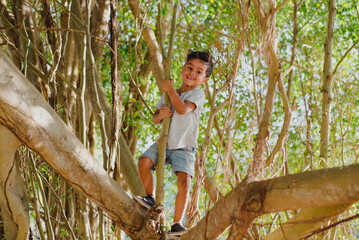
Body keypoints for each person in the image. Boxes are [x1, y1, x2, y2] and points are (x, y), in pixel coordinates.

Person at [134, 50, 214, 236]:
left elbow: (182, 109)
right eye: (189, 67)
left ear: (204, 80)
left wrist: (169, 90)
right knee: (143, 162)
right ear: (182, 69)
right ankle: (150, 198)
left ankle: (177, 224)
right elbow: (155, 118)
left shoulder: (197, 94)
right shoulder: (169, 93)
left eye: (199, 72)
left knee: (184, 182)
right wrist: (159, 115)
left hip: (185, 147)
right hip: (164, 143)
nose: (192, 73)